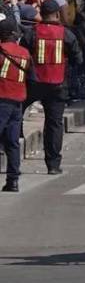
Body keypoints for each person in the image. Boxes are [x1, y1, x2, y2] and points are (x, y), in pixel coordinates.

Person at [23, 0, 81, 175]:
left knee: (17, 111)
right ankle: (53, 164)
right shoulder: (67, 34)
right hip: (58, 84)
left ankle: (10, 148)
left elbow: (22, 53)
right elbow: (78, 59)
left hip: (34, 82)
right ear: (57, 14)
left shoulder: (32, 32)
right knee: (54, 124)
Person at [0, 18, 30, 192]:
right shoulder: (25, 53)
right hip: (18, 102)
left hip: (2, 99)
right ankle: (13, 181)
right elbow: (31, 77)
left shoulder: (2, 51)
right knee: (12, 141)